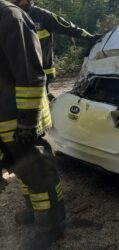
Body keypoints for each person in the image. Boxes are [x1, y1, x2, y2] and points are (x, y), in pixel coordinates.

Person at [0, 1, 65, 249]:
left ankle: (52, 225)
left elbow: (31, 75)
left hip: (21, 120)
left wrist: (27, 123)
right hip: (4, 120)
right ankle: (36, 213)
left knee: (41, 176)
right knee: (23, 172)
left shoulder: (10, 17)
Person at [9, 0, 100, 99]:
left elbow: (69, 27)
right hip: (14, 72)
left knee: (38, 103)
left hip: (40, 72)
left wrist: (91, 38)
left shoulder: (43, 16)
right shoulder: (7, 15)